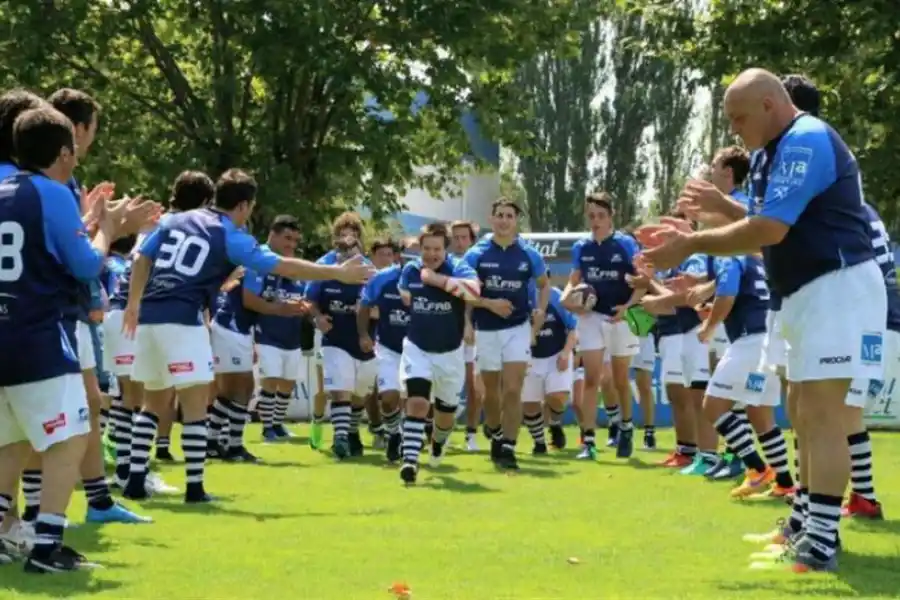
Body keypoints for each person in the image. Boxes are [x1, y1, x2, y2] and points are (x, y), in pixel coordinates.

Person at [641, 68, 886, 573]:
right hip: (801, 291)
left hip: (837, 287)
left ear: (771, 105)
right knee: (802, 411)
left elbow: (769, 229)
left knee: (823, 415)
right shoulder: (769, 154)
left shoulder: (806, 138)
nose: (734, 129)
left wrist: (690, 243)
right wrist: (713, 222)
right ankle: (805, 523)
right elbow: (762, 233)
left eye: (739, 118)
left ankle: (821, 541)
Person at [121, 169, 373, 503]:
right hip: (184, 320)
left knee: (152, 402)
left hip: (149, 318)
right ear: (243, 205)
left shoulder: (173, 220)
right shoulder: (229, 233)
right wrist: (338, 272)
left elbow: (142, 256)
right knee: (195, 405)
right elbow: (282, 265)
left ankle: (135, 481)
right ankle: (195, 489)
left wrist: (134, 303)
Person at [0, 105, 122, 571]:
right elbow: (86, 265)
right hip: (38, 333)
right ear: (65, 152)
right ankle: (48, 547)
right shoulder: (52, 192)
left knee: (12, 440)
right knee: (70, 437)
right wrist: (107, 231)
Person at [464, 198, 550, 470]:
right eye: (499, 215)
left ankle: (509, 447)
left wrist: (539, 313)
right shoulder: (476, 254)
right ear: (491, 219)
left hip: (517, 328)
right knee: (491, 393)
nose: (504, 220)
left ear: (516, 221)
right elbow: (463, 291)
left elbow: (544, 284)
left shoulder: (529, 254)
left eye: (509, 216)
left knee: (513, 389)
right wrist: (471, 318)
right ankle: (496, 433)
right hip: (486, 330)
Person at [397, 223, 481, 484]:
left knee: (445, 415)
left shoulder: (458, 267)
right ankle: (410, 461)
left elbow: (475, 292)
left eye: (437, 249)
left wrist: (438, 281)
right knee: (418, 403)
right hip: (417, 347)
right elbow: (406, 297)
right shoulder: (410, 271)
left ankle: (438, 441)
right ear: (420, 248)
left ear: (446, 249)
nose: (431, 254)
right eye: (426, 248)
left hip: (450, 353)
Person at [563, 192, 644, 460]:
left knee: (620, 379)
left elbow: (643, 280)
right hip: (591, 317)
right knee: (591, 378)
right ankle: (588, 441)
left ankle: (626, 427)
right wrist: (567, 297)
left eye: (600, 216)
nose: (595, 221)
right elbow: (574, 280)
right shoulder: (581, 247)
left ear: (611, 217)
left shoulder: (626, 244)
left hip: (619, 317)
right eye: (591, 216)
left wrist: (628, 307)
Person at [305, 213, 378, 459]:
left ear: (359, 238)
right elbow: (309, 300)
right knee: (339, 387)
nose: (347, 240)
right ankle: (340, 438)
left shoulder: (369, 269)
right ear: (335, 238)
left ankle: (351, 430)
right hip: (333, 339)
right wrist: (317, 317)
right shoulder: (324, 266)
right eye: (343, 235)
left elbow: (381, 305)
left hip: (363, 341)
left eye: (352, 235)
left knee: (360, 393)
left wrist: (371, 313)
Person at [247, 215, 310, 443]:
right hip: (266, 333)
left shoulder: (294, 266)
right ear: (272, 235)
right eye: (287, 238)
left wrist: (304, 307)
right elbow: (251, 299)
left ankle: (277, 423)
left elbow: (302, 297)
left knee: (288, 382)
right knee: (270, 379)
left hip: (291, 335)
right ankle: (267, 429)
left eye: (295, 240)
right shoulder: (260, 260)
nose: (291, 244)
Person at [358, 240, 411, 462]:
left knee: (414, 401)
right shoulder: (382, 278)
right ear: (398, 257)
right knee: (389, 399)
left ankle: (407, 437)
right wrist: (363, 334)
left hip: (418, 348)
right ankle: (394, 434)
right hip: (387, 347)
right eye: (409, 254)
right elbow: (364, 305)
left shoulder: (431, 279)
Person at [522, 279, 577, 453]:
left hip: (556, 353)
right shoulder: (520, 296)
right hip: (529, 356)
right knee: (529, 405)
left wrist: (566, 353)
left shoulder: (557, 297)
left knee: (558, 397)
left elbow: (573, 328)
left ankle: (554, 424)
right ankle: (539, 442)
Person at [450, 220, 483, 451]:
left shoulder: (477, 263)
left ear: (471, 240)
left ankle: (471, 435)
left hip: (475, 331)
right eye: (456, 238)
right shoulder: (446, 264)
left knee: (474, 386)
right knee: (446, 384)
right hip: (447, 330)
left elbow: (473, 297)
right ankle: (440, 431)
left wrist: (468, 322)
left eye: (464, 237)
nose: (460, 242)